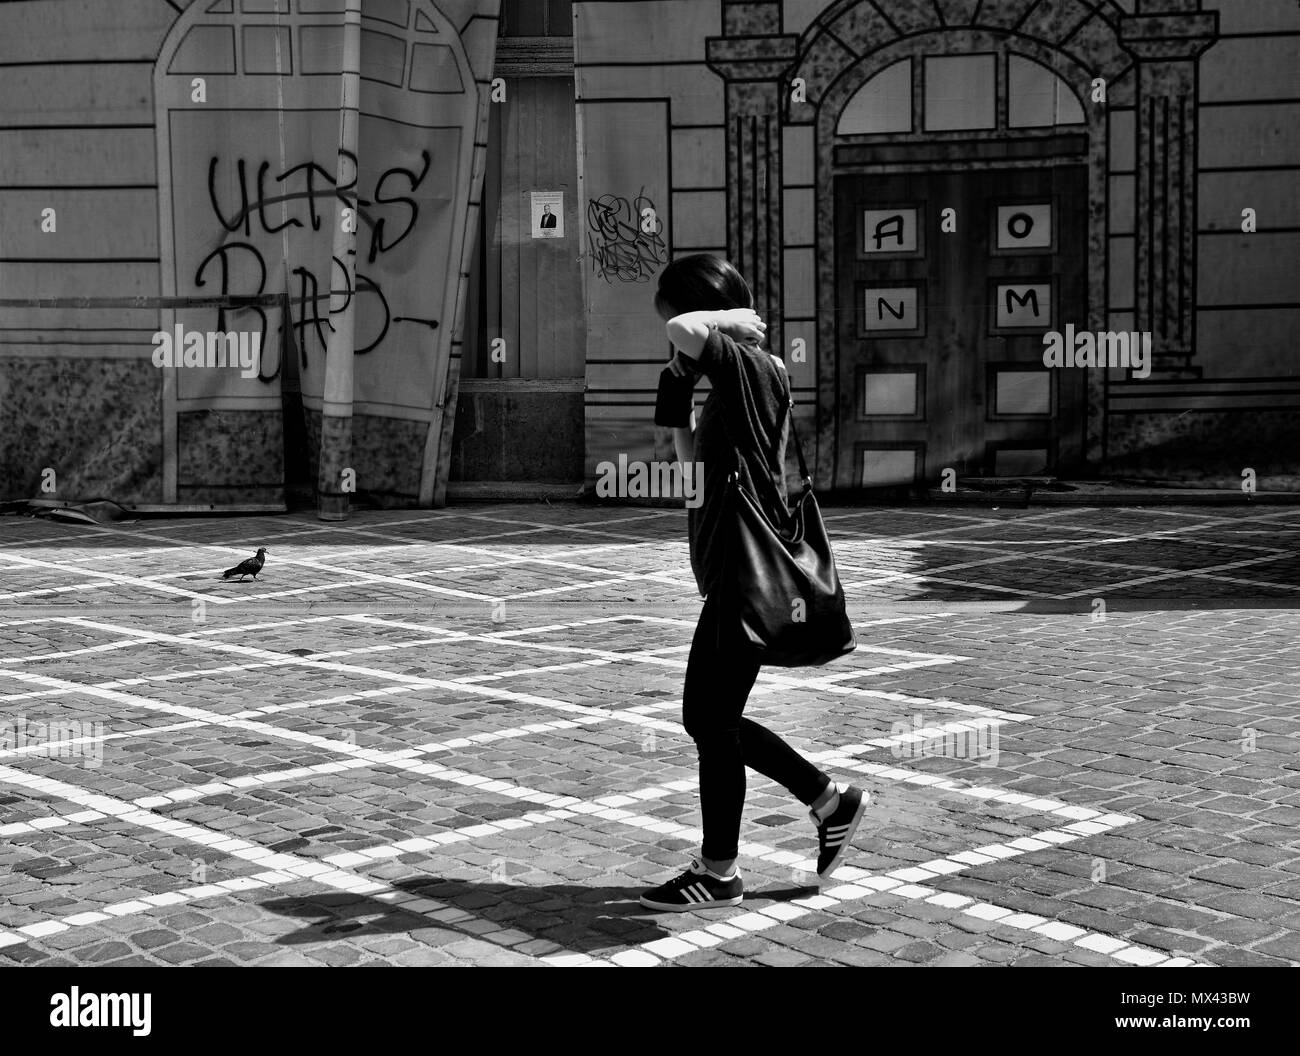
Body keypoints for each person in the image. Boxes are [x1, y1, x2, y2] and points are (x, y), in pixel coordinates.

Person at [638, 254, 869, 912]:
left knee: (709, 721)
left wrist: (711, 326)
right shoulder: (729, 382)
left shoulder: (753, 368)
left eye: (672, 317)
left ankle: (721, 871)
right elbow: (687, 468)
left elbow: (685, 325)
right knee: (710, 719)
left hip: (746, 577)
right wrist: (678, 384)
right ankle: (829, 801)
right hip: (727, 573)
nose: (670, 331)